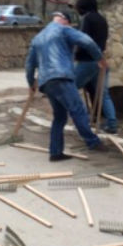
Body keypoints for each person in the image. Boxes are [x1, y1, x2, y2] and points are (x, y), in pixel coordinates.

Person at [25, 11, 108, 161]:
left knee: (60, 117)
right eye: (69, 23)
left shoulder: (37, 38)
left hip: (46, 82)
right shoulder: (63, 29)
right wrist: (99, 58)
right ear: (65, 20)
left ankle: (56, 152)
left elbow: (30, 64)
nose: (70, 26)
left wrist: (31, 82)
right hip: (62, 76)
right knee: (78, 109)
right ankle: (93, 142)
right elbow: (87, 41)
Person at [73, 0, 118, 134]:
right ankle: (112, 123)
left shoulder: (87, 19)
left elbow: (84, 40)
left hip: (88, 61)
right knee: (104, 94)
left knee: (70, 88)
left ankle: (84, 118)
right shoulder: (102, 19)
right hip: (101, 60)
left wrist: (75, 53)